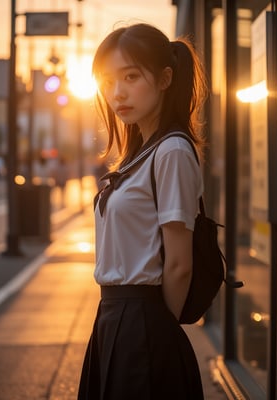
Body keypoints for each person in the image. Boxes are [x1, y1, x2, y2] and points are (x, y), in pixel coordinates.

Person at [77, 23, 208, 400]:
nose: (117, 93)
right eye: (107, 81)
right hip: (113, 317)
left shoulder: (172, 152)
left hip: (143, 325)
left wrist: (155, 333)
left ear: (166, 78)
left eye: (131, 76)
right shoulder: (138, 155)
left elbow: (180, 263)